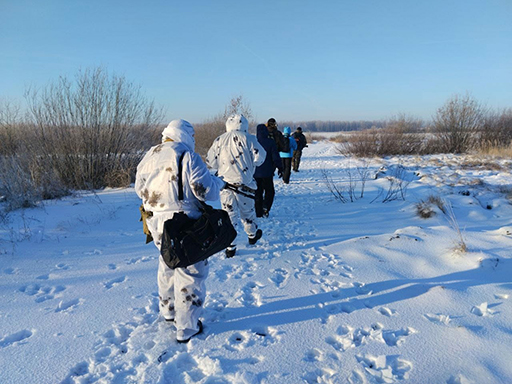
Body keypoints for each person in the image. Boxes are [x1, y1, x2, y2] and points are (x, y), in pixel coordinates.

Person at [135, 119, 224, 343]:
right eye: (192, 137)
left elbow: (139, 189)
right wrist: (218, 183)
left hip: (155, 222)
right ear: (185, 136)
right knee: (191, 272)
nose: (193, 141)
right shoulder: (187, 156)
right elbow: (205, 191)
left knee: (167, 262)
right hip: (185, 222)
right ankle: (187, 327)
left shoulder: (149, 155)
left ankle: (168, 310)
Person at [206, 114, 266, 257]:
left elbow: (210, 161)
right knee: (248, 212)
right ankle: (252, 236)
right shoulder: (250, 139)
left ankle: (230, 247)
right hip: (245, 184)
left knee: (229, 215)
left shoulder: (219, 140)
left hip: (225, 184)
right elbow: (260, 158)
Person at [254, 124, 283, 218]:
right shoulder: (271, 142)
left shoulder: (253, 142)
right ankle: (266, 206)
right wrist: (280, 168)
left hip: (255, 173)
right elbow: (275, 157)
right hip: (267, 172)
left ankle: (258, 212)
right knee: (269, 191)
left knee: (257, 192)